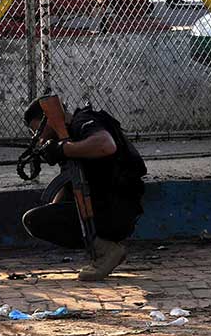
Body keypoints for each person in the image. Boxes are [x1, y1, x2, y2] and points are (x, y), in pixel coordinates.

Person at [21, 98, 147, 281]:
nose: (41, 139)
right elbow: (66, 191)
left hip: (116, 208)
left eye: (38, 131)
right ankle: (101, 247)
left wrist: (64, 149)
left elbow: (106, 145)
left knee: (32, 219)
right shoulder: (70, 137)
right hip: (109, 207)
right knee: (39, 219)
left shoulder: (83, 122)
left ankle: (105, 250)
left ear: (48, 119)